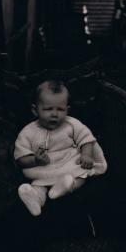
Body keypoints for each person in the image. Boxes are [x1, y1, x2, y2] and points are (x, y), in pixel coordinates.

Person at [14, 80, 107, 216]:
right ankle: (35, 198)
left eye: (60, 109)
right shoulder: (28, 132)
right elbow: (20, 158)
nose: (55, 114)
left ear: (67, 110)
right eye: (48, 109)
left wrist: (86, 155)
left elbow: (87, 139)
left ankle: (66, 186)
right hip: (44, 168)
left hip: (68, 163)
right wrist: (35, 160)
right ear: (35, 110)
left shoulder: (72, 124)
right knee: (39, 184)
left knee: (81, 173)